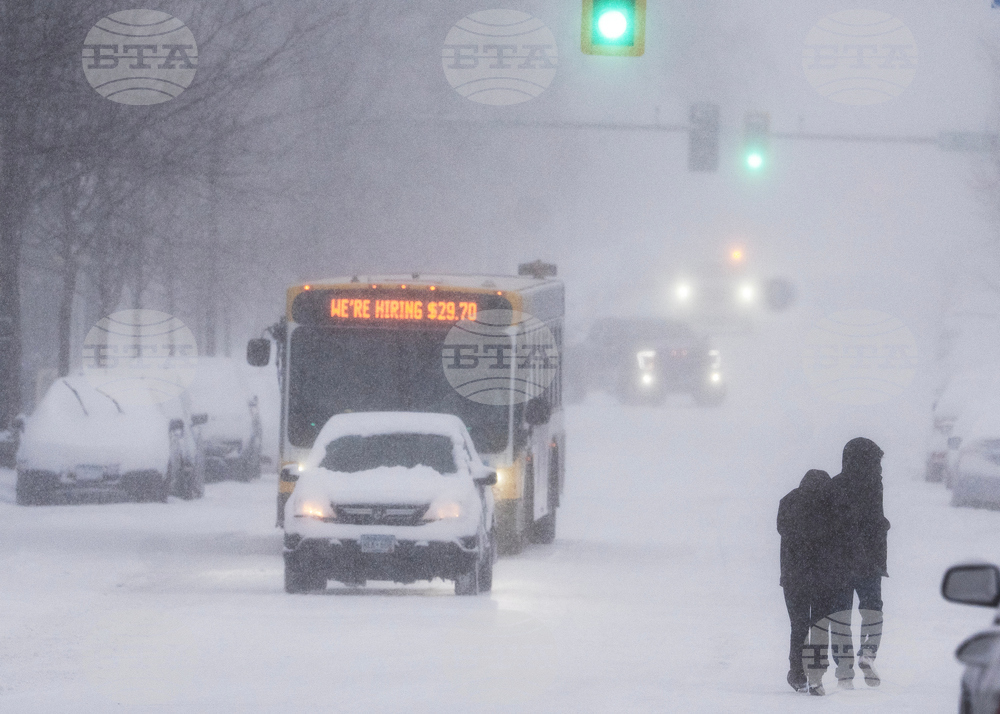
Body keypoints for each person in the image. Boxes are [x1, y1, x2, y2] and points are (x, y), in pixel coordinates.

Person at [827, 437, 889, 689]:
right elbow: (874, 523)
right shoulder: (873, 486)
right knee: (872, 609)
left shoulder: (834, 486)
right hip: (869, 562)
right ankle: (868, 652)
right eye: (877, 462)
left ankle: (844, 671)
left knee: (840, 616)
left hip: (839, 563)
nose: (880, 468)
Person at [777, 469, 835, 695]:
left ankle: (797, 672)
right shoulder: (830, 505)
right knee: (819, 626)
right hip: (823, 578)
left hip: (794, 578)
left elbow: (783, 530)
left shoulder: (789, 502)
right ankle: (816, 674)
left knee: (799, 626)